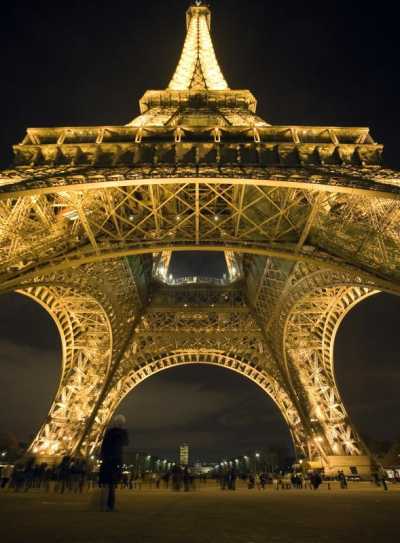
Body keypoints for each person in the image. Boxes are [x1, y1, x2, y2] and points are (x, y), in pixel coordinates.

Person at [99, 414, 129, 512]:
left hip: (107, 460)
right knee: (112, 483)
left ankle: (104, 504)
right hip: (116, 460)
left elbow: (103, 446)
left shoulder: (108, 432)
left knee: (107, 483)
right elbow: (126, 443)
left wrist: (103, 457)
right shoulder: (122, 433)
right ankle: (110, 505)